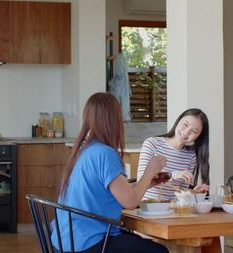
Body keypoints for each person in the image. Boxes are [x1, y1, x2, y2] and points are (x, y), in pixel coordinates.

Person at [51, 92, 169, 253]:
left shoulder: (85, 150)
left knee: (139, 243)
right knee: (158, 251)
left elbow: (114, 192)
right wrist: (149, 172)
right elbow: (130, 202)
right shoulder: (105, 153)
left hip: (65, 240)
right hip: (89, 243)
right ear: (114, 120)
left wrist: (147, 183)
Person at [137, 108, 210, 201]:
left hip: (172, 210)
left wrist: (192, 194)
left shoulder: (191, 156)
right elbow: (141, 183)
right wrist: (172, 176)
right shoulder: (152, 144)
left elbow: (181, 194)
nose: (186, 132)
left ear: (199, 136)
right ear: (178, 121)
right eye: (185, 125)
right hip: (147, 208)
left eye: (194, 131)